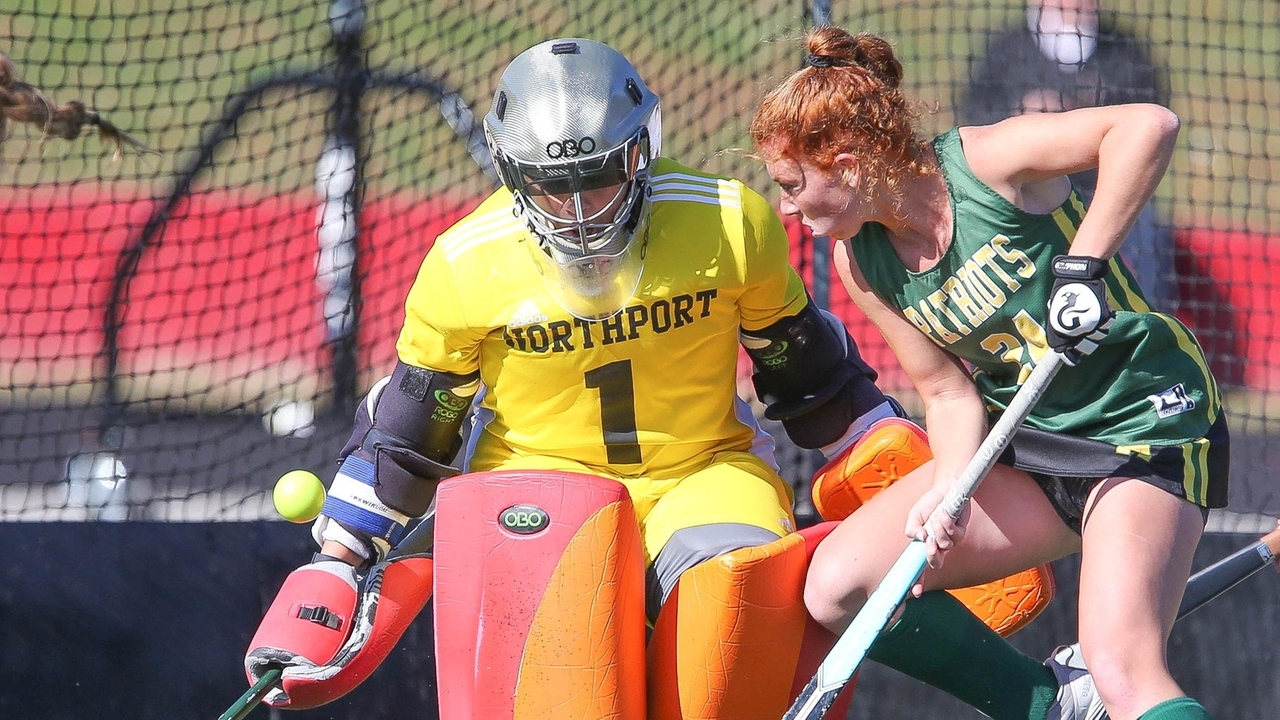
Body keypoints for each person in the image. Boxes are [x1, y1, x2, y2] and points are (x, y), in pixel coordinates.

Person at [242, 36, 909, 718]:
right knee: (566, 685)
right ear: (512, 172)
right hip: (533, 487)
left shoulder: (728, 221)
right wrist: (338, 559)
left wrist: (895, 463)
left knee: (731, 616)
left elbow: (808, 374)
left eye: (598, 174)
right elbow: (410, 434)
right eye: (552, 184)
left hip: (703, 473)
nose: (579, 207)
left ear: (641, 150)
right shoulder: (464, 264)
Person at [751, 25, 1228, 720]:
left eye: (793, 185)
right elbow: (946, 391)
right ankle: (1042, 702)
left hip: (1141, 419)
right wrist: (950, 489)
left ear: (847, 164)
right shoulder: (863, 264)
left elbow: (1146, 126)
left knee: (1123, 668)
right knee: (838, 583)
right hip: (1029, 444)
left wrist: (1083, 265)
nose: (788, 207)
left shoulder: (988, 161)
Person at [961, 0, 1175, 309]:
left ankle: (1152, 329)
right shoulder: (1008, 50)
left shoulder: (1122, 49)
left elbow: (1151, 112)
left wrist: (1085, 114)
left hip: (1102, 185)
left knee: (1147, 237)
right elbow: (974, 118)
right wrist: (1022, 117)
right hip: (1026, 191)